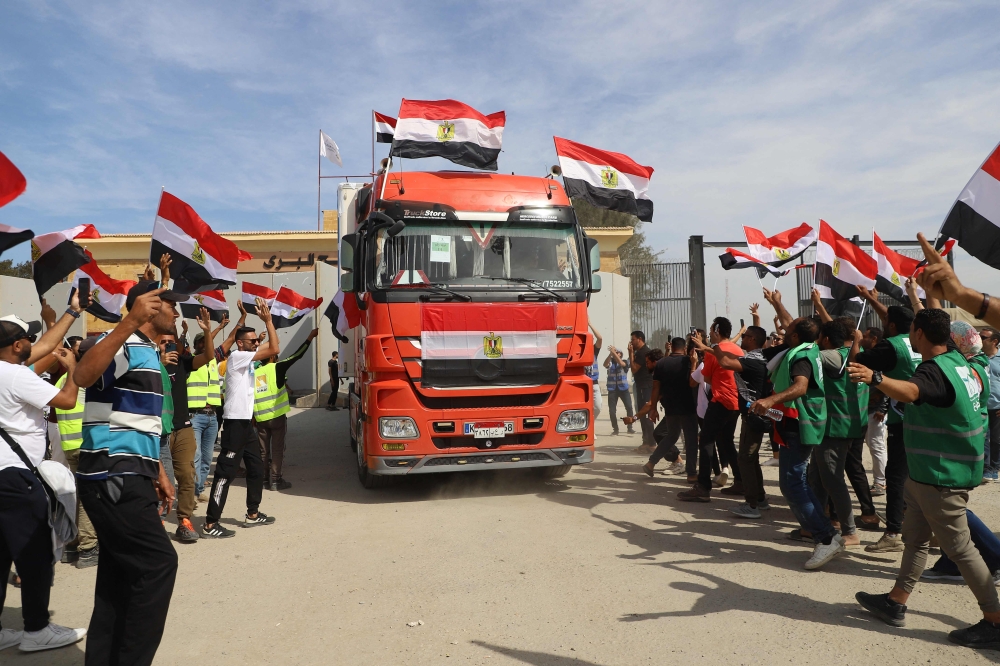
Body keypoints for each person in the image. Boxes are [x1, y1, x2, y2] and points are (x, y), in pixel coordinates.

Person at [850, 308, 1000, 649]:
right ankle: (896, 601)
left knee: (961, 550)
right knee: (915, 540)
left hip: (941, 476)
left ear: (918, 333)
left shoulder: (935, 370)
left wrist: (875, 378)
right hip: (926, 474)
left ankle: (995, 620)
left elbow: (913, 392)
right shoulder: (967, 363)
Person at [74, 280, 182, 664]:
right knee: (158, 565)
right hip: (112, 476)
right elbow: (83, 376)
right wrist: (126, 323)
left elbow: (139, 425)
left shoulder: (148, 352)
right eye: (172, 305)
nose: (178, 313)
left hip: (129, 473)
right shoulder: (123, 342)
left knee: (119, 575)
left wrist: (158, 473)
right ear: (150, 308)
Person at [0, 313, 89, 653]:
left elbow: (47, 345)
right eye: (27, 339)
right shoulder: (17, 375)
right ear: (18, 344)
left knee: (0, 555)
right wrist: (73, 372)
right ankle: (37, 629)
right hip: (17, 478)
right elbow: (66, 400)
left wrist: (71, 312)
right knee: (35, 554)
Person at [750, 317, 845, 570]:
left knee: (792, 483)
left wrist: (771, 401)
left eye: (787, 330)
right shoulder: (809, 348)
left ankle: (825, 537)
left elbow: (801, 387)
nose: (783, 332)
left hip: (798, 425)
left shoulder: (801, 357)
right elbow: (797, 325)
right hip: (799, 423)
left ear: (794, 337)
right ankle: (827, 533)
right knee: (797, 482)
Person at [202, 297, 279, 539]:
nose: (257, 343)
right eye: (253, 341)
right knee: (225, 473)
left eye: (258, 340)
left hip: (246, 424)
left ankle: (253, 514)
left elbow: (269, 348)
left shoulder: (247, 357)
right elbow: (275, 349)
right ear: (240, 344)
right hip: (235, 424)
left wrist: (263, 330)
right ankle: (210, 523)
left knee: (256, 468)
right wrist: (267, 321)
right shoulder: (236, 358)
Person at [853, 294, 920, 554]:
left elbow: (858, 364)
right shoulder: (919, 342)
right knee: (920, 477)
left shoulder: (890, 346)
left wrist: (857, 342)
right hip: (925, 418)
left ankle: (893, 532)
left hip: (903, 420)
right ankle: (927, 528)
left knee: (895, 477)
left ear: (890, 326)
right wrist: (871, 297)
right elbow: (891, 319)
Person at [158, 306, 216, 543]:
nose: (167, 347)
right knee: (163, 480)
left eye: (171, 343)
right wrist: (158, 361)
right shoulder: (148, 364)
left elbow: (209, 357)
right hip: (160, 431)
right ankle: (159, 523)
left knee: (187, 476)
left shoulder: (183, 363)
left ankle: (184, 521)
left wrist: (208, 331)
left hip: (183, 428)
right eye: (162, 343)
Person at [707, 325, 771, 518]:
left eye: (745, 336)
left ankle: (752, 505)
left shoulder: (754, 361)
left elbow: (726, 362)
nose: (742, 338)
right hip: (752, 413)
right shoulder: (756, 357)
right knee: (751, 458)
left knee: (745, 458)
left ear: (752, 339)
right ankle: (759, 498)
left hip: (754, 415)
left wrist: (715, 343)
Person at [678, 317, 744, 502]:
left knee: (706, 440)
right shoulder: (737, 349)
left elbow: (705, 379)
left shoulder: (713, 352)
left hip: (721, 400)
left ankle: (703, 487)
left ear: (716, 330)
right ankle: (740, 480)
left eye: (711, 330)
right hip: (736, 403)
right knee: (728, 441)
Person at [54, 336, 99, 569]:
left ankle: (71, 544)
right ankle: (88, 548)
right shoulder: (84, 380)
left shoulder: (63, 380)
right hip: (86, 445)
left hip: (70, 446)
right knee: (88, 498)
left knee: (78, 495)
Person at [255, 328, 317, 491]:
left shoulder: (254, 371)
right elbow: (297, 355)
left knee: (263, 451)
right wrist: (309, 337)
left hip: (260, 418)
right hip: (276, 417)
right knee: (277, 449)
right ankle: (276, 481)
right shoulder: (277, 367)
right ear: (272, 356)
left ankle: (262, 480)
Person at [626, 343, 693, 478]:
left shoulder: (662, 374)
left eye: (648, 363)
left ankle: (685, 467)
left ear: (655, 362)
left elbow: (650, 402)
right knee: (667, 435)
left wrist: (634, 418)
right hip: (678, 410)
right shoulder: (673, 367)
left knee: (683, 438)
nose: (646, 366)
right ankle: (658, 463)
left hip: (684, 410)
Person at [188, 324, 225, 502]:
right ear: (195, 345)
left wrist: (237, 322)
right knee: (195, 457)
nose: (204, 344)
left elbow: (228, 341)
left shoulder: (213, 362)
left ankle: (199, 489)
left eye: (207, 342)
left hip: (212, 416)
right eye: (201, 342)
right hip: (195, 415)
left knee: (207, 458)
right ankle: (191, 493)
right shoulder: (190, 362)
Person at [861, 325, 889, 495]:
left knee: (877, 445)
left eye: (865, 335)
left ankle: (880, 482)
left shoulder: (882, 357)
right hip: (866, 408)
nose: (862, 338)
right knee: (872, 445)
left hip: (876, 410)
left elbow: (887, 382)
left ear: (874, 339)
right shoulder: (866, 356)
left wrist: (883, 408)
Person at [978, 326, 1000, 482]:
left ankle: (994, 468)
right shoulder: (978, 357)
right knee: (983, 437)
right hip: (982, 405)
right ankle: (986, 468)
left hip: (998, 406)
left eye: (984, 337)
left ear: (994, 341)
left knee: (997, 439)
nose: (980, 339)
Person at [628, 331, 655, 452]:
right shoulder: (640, 352)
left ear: (639, 339)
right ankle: (646, 441)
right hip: (641, 386)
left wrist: (630, 353)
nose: (631, 342)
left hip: (646, 386)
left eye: (633, 340)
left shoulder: (643, 352)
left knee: (646, 414)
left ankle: (652, 443)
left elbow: (634, 369)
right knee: (641, 414)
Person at [604, 344, 634, 435]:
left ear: (621, 354)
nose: (615, 353)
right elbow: (605, 364)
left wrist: (613, 352)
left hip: (623, 389)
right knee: (612, 411)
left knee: (629, 407)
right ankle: (615, 429)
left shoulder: (625, 362)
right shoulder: (610, 363)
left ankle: (629, 427)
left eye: (617, 352)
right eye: (615, 352)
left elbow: (621, 364)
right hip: (612, 390)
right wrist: (610, 354)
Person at [585, 324, 603, 420]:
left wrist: (590, 323)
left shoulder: (594, 351)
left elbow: (600, 338)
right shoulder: (579, 351)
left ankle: (591, 423)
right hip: (583, 384)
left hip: (594, 383)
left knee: (598, 407)